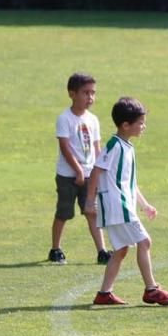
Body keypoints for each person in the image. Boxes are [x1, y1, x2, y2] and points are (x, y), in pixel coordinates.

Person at [84, 97, 168, 306]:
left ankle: (104, 294)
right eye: (140, 123)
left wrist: (145, 205)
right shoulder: (114, 145)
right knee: (144, 242)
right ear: (125, 125)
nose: (144, 127)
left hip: (124, 205)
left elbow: (130, 182)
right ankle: (151, 289)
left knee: (121, 249)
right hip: (118, 206)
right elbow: (96, 170)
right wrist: (90, 201)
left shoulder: (128, 148)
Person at [50, 73, 109, 265]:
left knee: (92, 211)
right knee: (64, 212)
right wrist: (77, 170)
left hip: (89, 175)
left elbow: (96, 147)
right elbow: (65, 147)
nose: (90, 97)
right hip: (69, 176)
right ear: (72, 94)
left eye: (93, 93)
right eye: (85, 93)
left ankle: (101, 250)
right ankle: (56, 248)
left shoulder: (93, 120)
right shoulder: (65, 119)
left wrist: (99, 169)